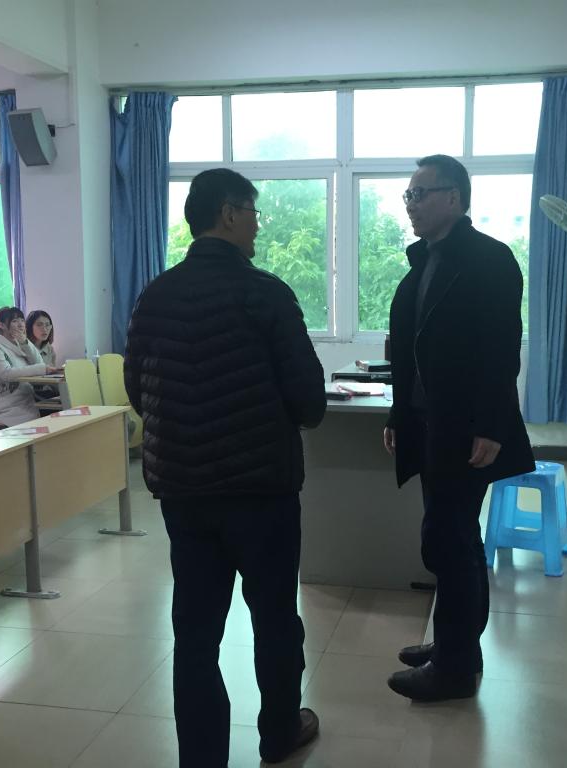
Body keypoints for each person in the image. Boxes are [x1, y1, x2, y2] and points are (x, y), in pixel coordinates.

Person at [124, 168, 326, 768]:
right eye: (254, 213)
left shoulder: (155, 295)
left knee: (195, 631)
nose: (259, 226)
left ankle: (202, 756)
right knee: (274, 619)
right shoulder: (265, 293)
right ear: (230, 213)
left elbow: (138, 389)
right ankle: (280, 734)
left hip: (184, 492)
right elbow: (310, 403)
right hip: (261, 490)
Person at [383, 154, 535, 702]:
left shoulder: (489, 259)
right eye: (408, 195)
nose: (411, 205)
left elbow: (501, 351)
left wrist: (491, 426)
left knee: (448, 541)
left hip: (466, 429)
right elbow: (408, 352)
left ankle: (453, 666)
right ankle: (458, 647)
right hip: (428, 424)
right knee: (456, 538)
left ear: (454, 197)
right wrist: (399, 414)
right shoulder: (424, 261)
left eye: (419, 194)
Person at [0, 306, 58, 427]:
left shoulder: (20, 342)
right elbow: (7, 374)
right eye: (14, 321)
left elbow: (39, 362)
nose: (21, 325)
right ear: (1, 325)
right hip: (3, 407)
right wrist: (42, 369)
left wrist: (25, 343)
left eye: (22, 320)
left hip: (25, 402)